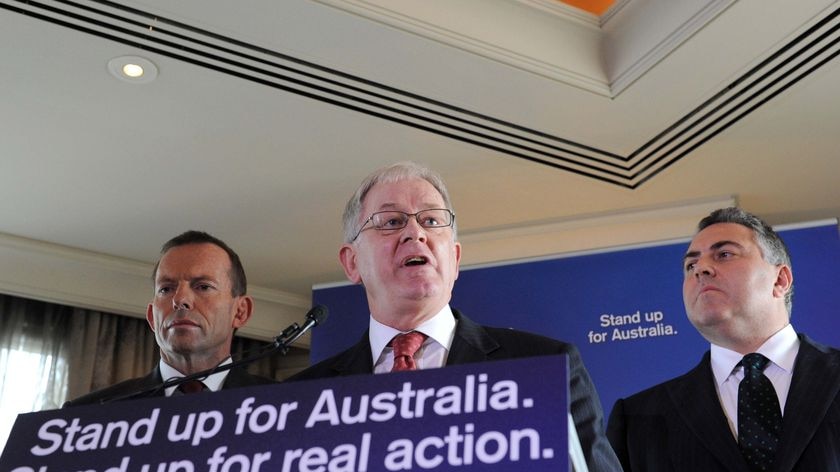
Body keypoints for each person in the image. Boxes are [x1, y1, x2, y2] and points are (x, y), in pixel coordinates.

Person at [290, 161, 621, 471]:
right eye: (392, 221)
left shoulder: (547, 365)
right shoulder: (301, 398)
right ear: (351, 262)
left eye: (431, 221)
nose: (415, 233)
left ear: (455, 257)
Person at [606, 207, 840, 471]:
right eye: (690, 265)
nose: (701, 269)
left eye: (724, 254)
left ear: (780, 280)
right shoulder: (637, 419)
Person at [65, 231, 274, 406]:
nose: (180, 299)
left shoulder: (285, 404)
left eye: (203, 286)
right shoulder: (87, 413)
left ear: (240, 312)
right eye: (166, 289)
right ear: (152, 317)